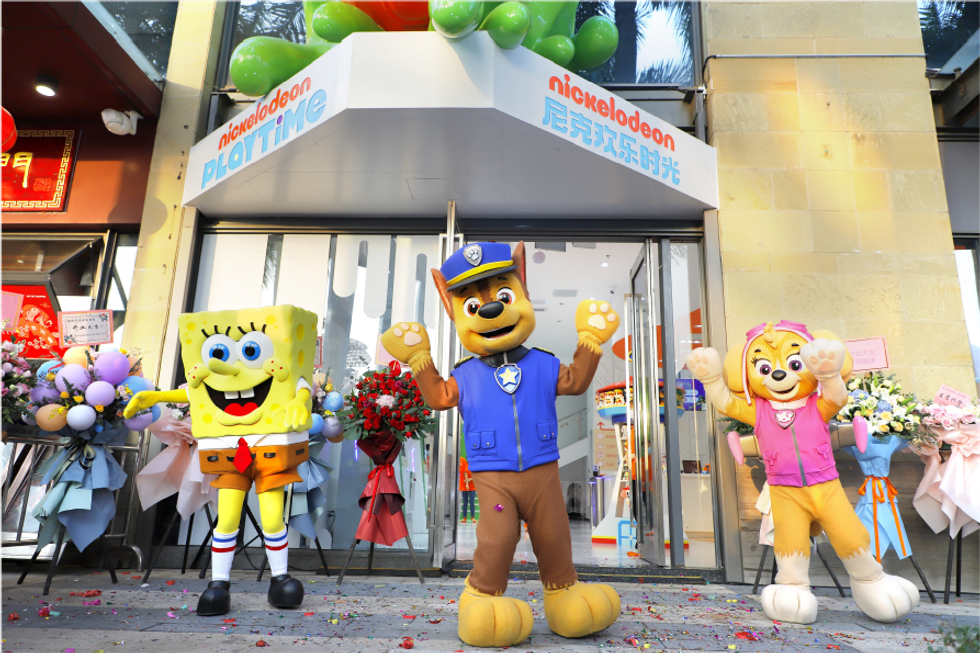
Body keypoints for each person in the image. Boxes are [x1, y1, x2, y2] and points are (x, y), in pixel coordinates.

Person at [459, 456, 476, 523]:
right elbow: (462, 474)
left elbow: (476, 476)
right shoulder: (465, 465)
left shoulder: (474, 466)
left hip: (472, 487)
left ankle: (473, 517)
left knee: (472, 501)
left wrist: (470, 479)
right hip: (464, 486)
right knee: (465, 502)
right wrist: (465, 480)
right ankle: (464, 518)